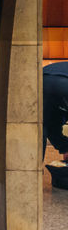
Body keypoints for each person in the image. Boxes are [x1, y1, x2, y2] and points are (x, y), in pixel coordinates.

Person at [45, 61, 68, 189]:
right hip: (65, 82)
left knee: (39, 129)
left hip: (40, 80)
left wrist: (64, 147)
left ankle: (32, 173)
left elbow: (52, 128)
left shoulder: (58, 111)